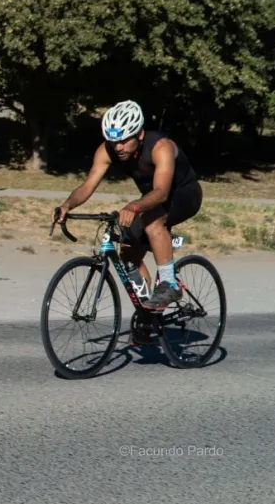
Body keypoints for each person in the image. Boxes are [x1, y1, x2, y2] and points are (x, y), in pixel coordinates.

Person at [54, 100, 202, 340]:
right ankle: (148, 314)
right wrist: (66, 205)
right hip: (151, 198)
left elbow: (162, 193)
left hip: (184, 194)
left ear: (140, 134)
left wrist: (133, 206)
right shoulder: (107, 150)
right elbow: (88, 184)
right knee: (128, 253)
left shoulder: (160, 147)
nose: (118, 146)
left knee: (153, 221)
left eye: (124, 140)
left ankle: (169, 285)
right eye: (114, 140)